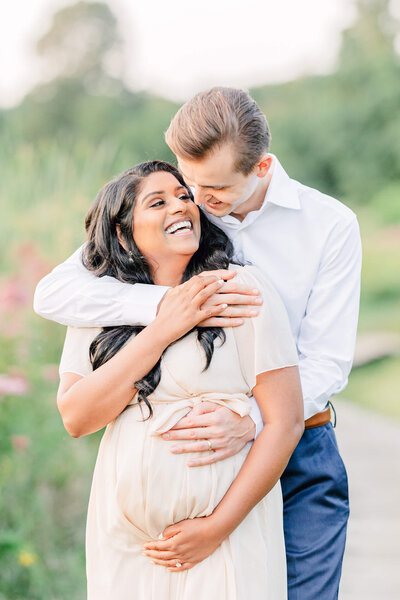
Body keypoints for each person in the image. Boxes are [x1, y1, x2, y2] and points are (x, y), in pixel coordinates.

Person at [34, 87, 362, 599]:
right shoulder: (180, 208)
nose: (197, 201)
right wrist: (169, 309)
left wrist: (251, 420)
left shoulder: (328, 226)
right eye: (188, 182)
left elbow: (327, 361)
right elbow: (56, 291)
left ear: (261, 167)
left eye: (211, 190)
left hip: (296, 448)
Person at [56, 160, 303, 599]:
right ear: (122, 231)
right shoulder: (96, 305)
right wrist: (164, 326)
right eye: (158, 201)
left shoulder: (238, 287)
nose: (180, 206)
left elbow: (285, 423)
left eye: (184, 196)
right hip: (127, 545)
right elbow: (77, 418)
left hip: (226, 536)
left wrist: (215, 528)